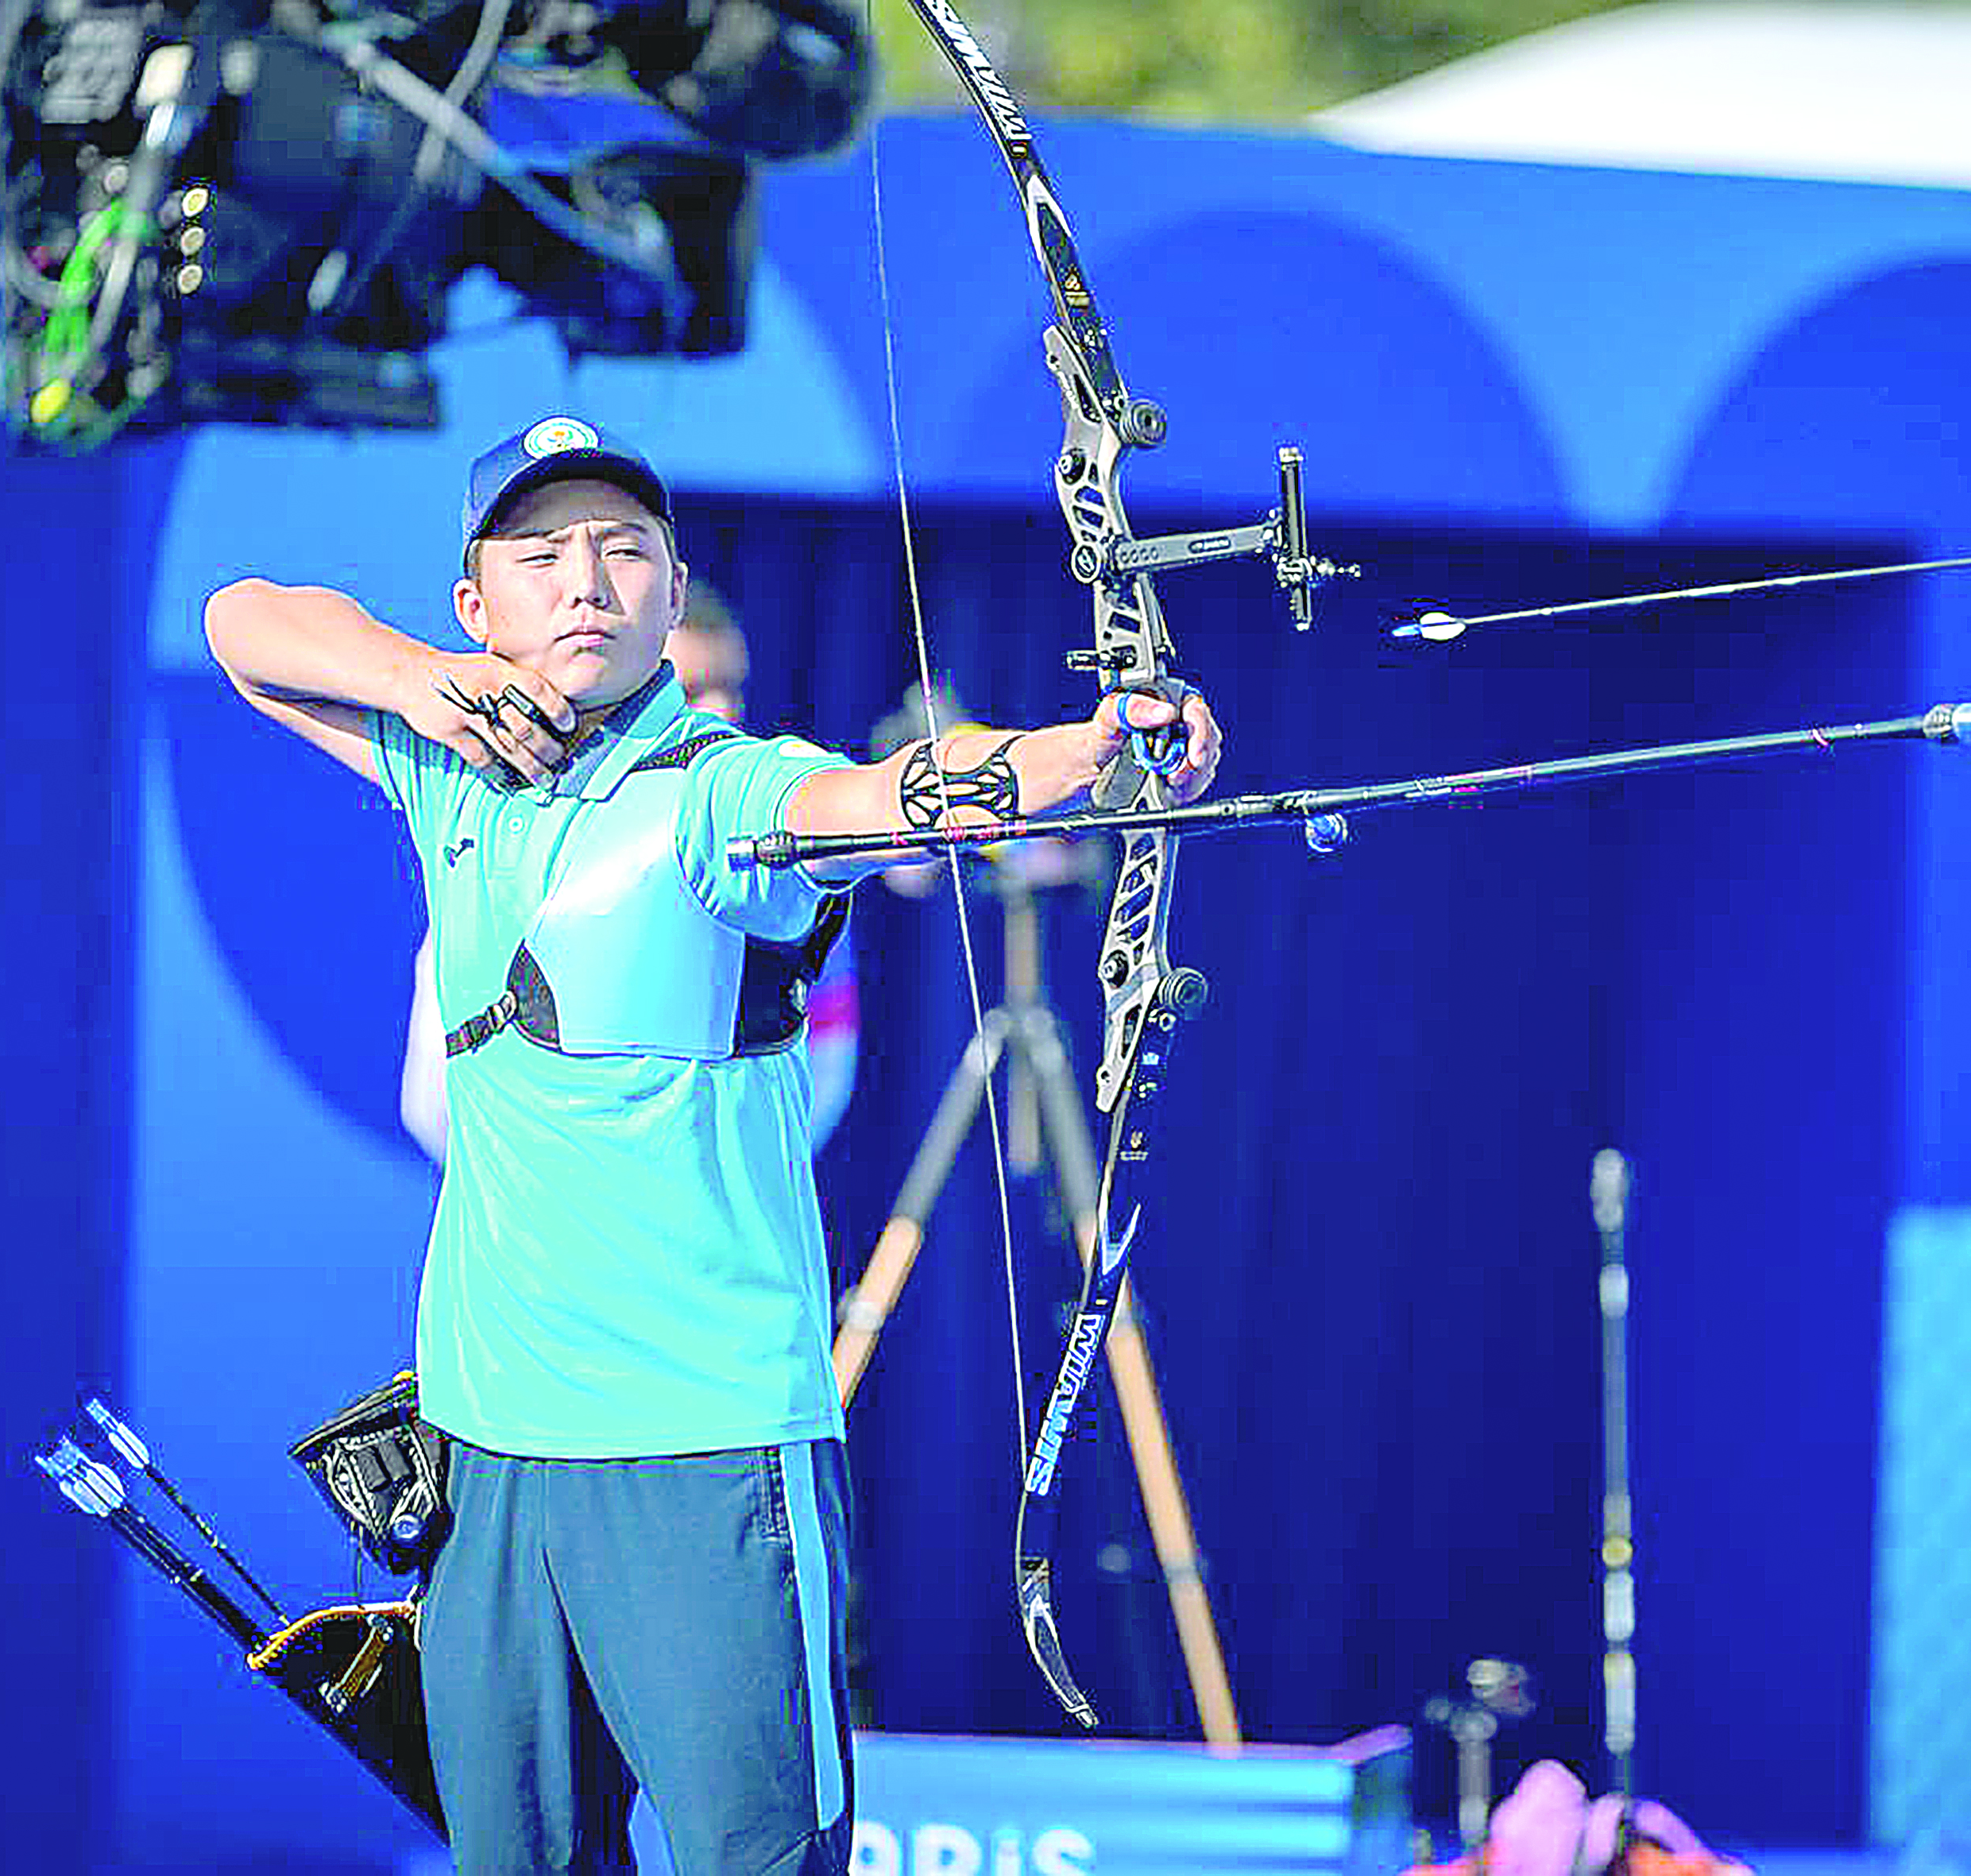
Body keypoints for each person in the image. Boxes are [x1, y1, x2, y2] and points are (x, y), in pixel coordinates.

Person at [203, 414, 1223, 1876]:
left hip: (705, 1452)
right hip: (493, 1457)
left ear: (673, 602)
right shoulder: (448, 769)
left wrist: (1084, 749)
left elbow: (884, 798)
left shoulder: (722, 793)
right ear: (476, 606)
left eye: (625, 553)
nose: (586, 583)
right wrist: (422, 686)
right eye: (540, 555)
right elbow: (242, 622)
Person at [399, 575, 861, 1163]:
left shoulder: (778, 865)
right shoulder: (505, 868)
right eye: (693, 689)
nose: (721, 712)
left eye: (731, 686)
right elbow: (431, 1104)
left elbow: (829, 1062)